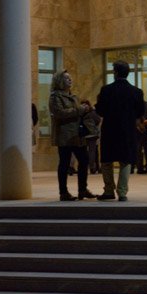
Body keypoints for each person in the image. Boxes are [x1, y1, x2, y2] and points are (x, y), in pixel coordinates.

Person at [95, 61, 144, 201]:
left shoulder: (106, 90)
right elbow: (140, 111)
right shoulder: (136, 91)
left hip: (109, 129)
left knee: (106, 160)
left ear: (115, 72)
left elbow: (100, 110)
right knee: (125, 160)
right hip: (128, 130)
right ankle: (122, 192)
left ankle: (108, 190)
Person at [49, 70, 95, 201]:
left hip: (77, 134)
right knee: (64, 163)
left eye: (70, 78)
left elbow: (77, 112)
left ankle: (82, 189)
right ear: (59, 81)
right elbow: (59, 113)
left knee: (84, 160)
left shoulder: (73, 96)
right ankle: (63, 192)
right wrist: (80, 109)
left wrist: (86, 109)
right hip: (65, 135)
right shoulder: (55, 97)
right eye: (66, 78)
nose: (70, 80)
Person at [80, 99, 101, 174]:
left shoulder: (80, 112)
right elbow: (98, 120)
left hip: (83, 134)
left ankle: (85, 167)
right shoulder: (93, 112)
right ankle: (92, 167)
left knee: (83, 152)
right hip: (92, 134)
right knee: (92, 151)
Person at [135, 99, 147, 174]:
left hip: (137, 129)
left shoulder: (133, 104)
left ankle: (140, 167)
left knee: (139, 148)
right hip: (145, 128)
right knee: (146, 148)